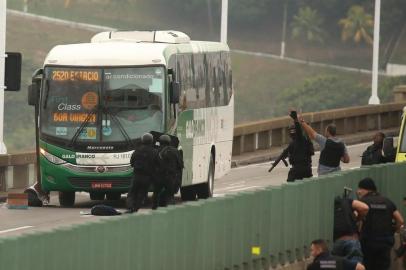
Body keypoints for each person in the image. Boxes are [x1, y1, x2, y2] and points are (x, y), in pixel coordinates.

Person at [357, 177, 404, 270]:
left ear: (363, 189)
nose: (358, 192)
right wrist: (394, 230)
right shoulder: (387, 201)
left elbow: (357, 220)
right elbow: (400, 220)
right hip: (385, 242)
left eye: (359, 189)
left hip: (368, 242)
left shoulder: (363, 202)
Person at [269, 110, 314, 182]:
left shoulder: (301, 139)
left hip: (298, 170)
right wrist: (277, 161)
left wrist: (295, 119)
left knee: (290, 183)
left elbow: (298, 131)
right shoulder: (297, 142)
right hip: (307, 169)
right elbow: (286, 152)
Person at [332, 192, 369, 264]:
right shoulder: (345, 201)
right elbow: (365, 207)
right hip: (351, 240)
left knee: (335, 266)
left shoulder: (324, 206)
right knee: (355, 266)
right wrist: (357, 219)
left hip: (335, 242)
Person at [127, 132, 158, 212]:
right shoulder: (154, 151)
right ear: (151, 141)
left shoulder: (137, 151)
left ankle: (130, 206)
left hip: (137, 175)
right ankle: (136, 208)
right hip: (147, 177)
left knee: (132, 192)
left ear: (142, 140)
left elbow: (132, 162)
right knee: (142, 194)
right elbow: (158, 164)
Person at [153, 134, 183, 209]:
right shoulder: (175, 151)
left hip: (159, 178)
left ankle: (155, 209)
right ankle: (170, 212)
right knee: (170, 196)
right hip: (171, 178)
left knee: (156, 195)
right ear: (169, 141)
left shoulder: (156, 151)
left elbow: (153, 165)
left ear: (159, 142)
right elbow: (181, 165)